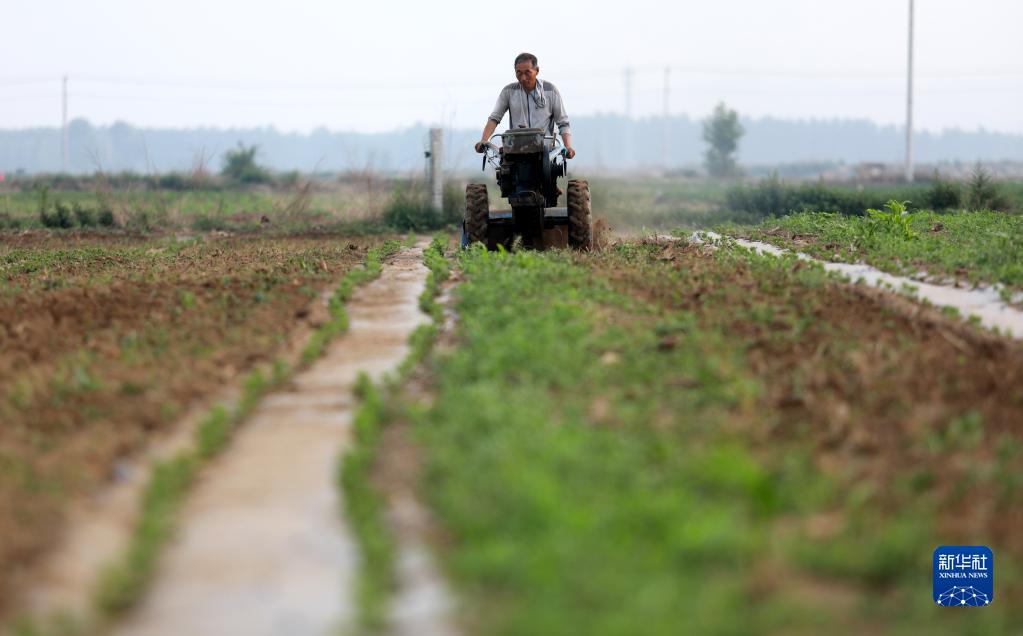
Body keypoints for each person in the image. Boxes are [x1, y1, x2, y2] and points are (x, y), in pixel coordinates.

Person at [475, 52, 575, 158]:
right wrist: (484, 140)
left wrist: (568, 147)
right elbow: (494, 118)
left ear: (537, 71)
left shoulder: (550, 91)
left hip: (545, 152)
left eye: (527, 73)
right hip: (516, 151)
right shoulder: (508, 91)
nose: (522, 78)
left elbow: (563, 123)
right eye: (519, 73)